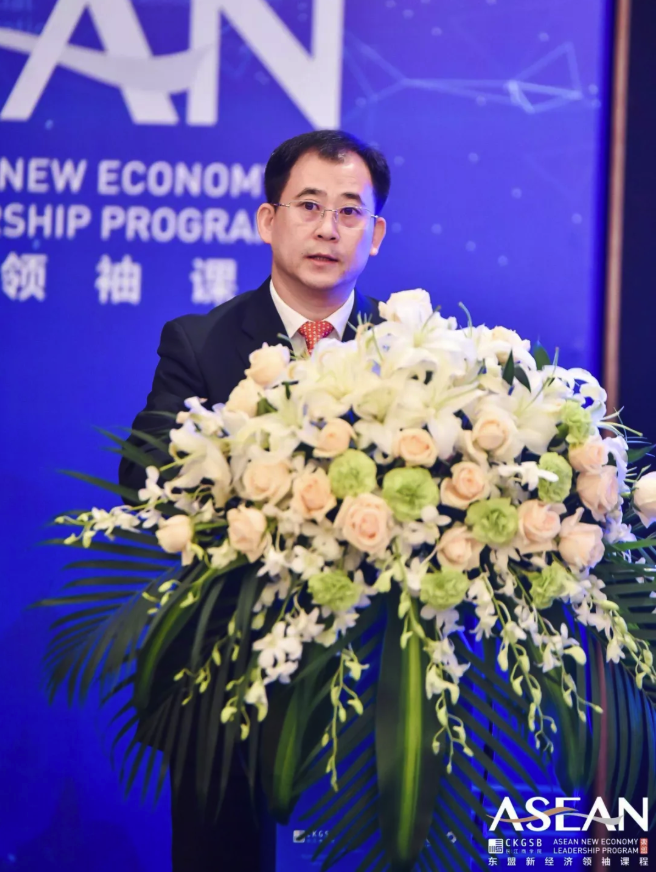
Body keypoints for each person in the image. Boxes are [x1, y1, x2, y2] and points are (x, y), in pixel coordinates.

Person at [118, 129, 390, 871]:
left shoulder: (410, 350)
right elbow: (144, 473)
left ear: (374, 235)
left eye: (349, 211)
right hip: (227, 661)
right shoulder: (200, 342)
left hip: (376, 662)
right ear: (269, 221)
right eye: (309, 206)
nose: (328, 228)